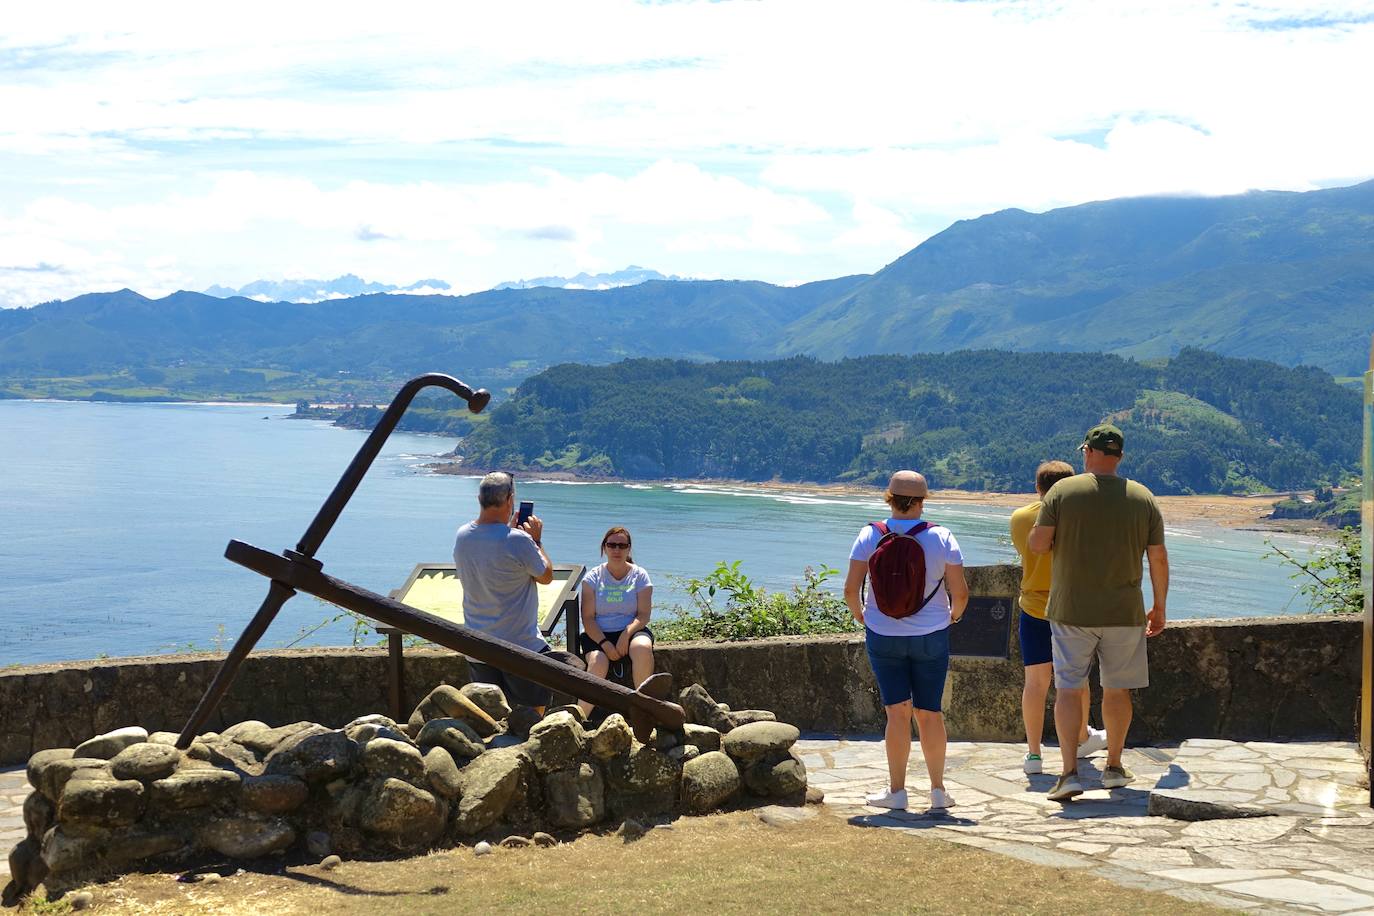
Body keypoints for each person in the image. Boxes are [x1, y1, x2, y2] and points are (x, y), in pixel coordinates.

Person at [1029, 424, 1168, 801]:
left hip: (1071, 609)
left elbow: (1039, 545)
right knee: (1117, 690)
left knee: (1070, 689)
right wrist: (1159, 606)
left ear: (1088, 452)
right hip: (1124, 610)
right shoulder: (1143, 498)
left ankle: (1070, 773)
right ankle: (1114, 767)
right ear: (1119, 456)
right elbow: (1157, 557)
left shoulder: (1062, 491)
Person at [844, 470, 970, 812]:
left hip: (884, 636)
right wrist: (951, 618)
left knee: (897, 714)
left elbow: (850, 591)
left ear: (889, 498)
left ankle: (897, 792)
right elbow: (959, 593)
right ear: (922, 500)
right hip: (931, 636)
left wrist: (865, 618)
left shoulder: (870, 535)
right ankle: (938, 791)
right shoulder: (941, 537)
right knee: (930, 714)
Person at [452, 471, 582, 711]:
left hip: (477, 645)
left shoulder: (463, 535)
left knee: (490, 719)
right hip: (521, 646)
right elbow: (545, 576)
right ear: (510, 500)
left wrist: (515, 534)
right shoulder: (519, 541)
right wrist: (536, 541)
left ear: (479, 498)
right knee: (534, 715)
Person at [1009, 460, 1107, 775]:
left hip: (1033, 608)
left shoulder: (1020, 518)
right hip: (1071, 609)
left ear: (1038, 487)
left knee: (1035, 684)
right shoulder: (1082, 519)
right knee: (1076, 681)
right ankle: (1080, 739)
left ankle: (1034, 755)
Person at [576, 526, 655, 717]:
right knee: (598, 662)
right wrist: (605, 644)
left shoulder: (640, 575)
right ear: (604, 548)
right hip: (598, 633)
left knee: (642, 648)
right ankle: (578, 718)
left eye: (622, 545)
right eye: (612, 545)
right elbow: (588, 618)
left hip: (632, 629)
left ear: (629, 549)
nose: (617, 550)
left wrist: (626, 635)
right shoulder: (593, 578)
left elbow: (643, 614)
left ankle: (645, 710)